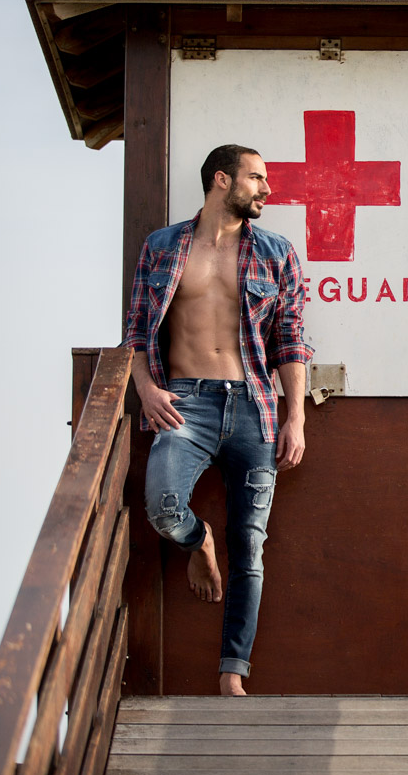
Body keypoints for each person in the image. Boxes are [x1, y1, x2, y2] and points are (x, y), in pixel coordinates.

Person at [122, 144, 312, 696]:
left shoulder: (277, 252)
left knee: (249, 544)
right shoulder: (162, 247)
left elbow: (291, 342)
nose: (267, 189)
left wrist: (293, 418)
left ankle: (233, 672)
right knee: (162, 506)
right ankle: (198, 540)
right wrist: (147, 389)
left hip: (255, 406)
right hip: (185, 404)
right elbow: (136, 330)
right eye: (257, 178)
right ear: (222, 180)